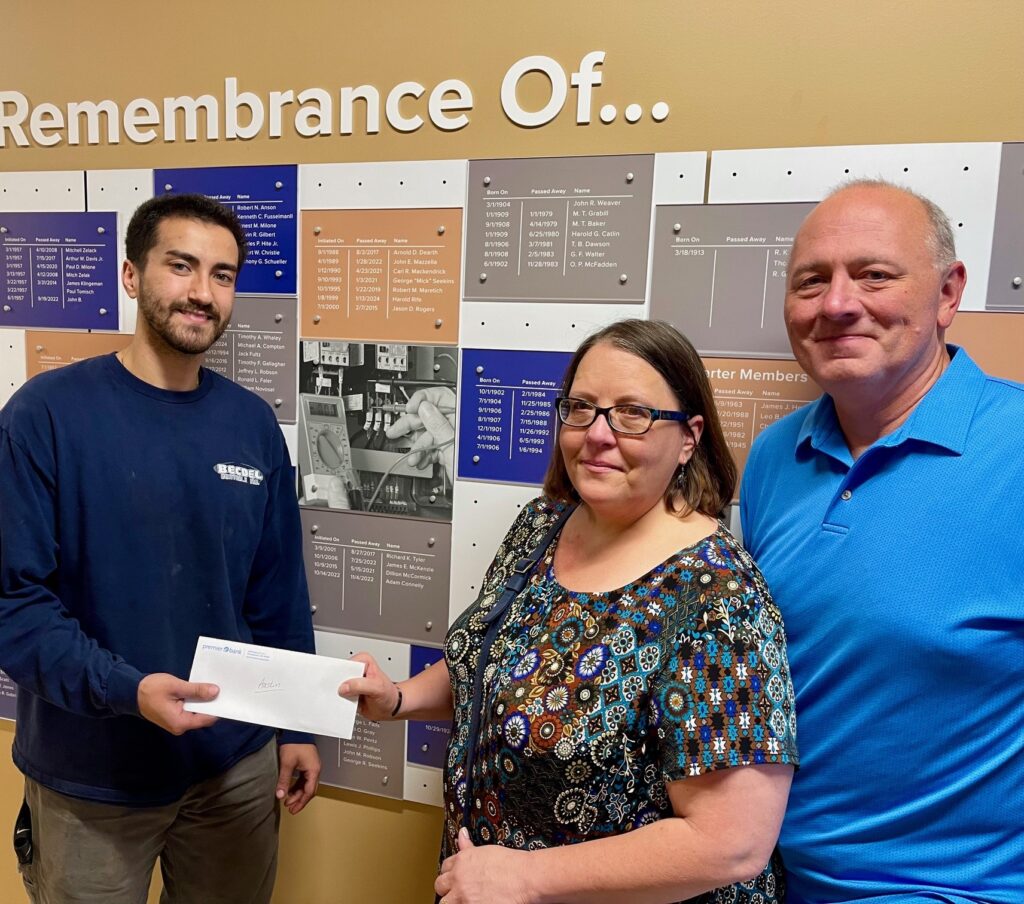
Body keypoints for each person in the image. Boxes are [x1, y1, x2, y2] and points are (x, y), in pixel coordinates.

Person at [342, 319, 797, 904]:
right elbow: (493, 668)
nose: (598, 434)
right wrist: (398, 699)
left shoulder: (716, 596)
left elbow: (732, 843)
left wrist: (524, 878)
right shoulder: (544, 525)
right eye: (581, 408)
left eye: (632, 413)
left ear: (688, 437)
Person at [0, 193, 320, 903]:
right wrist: (127, 690)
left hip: (233, 770)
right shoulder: (46, 415)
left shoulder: (251, 424)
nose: (203, 293)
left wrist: (297, 727)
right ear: (131, 276)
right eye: (181, 266)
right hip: (92, 778)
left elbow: (277, 594)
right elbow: (13, 607)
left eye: (223, 274)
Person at [740, 181, 1024, 902]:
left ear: (948, 294)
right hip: (774, 879)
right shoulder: (776, 457)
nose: (837, 304)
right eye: (812, 281)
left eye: (874, 274)